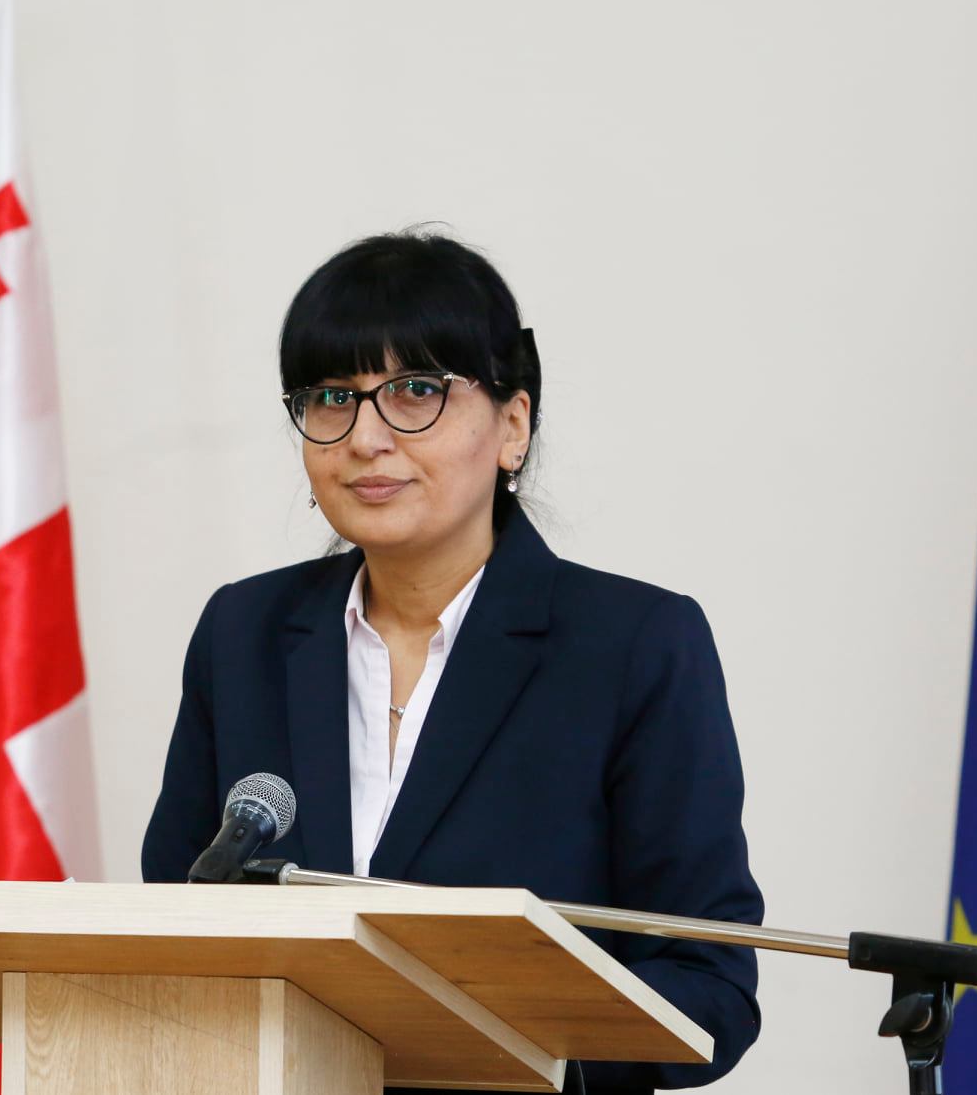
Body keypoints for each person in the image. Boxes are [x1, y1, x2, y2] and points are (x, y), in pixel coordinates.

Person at [141, 230, 764, 1094]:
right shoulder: (242, 632)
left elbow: (709, 987)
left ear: (513, 425)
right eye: (331, 397)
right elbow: (172, 921)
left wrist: (497, 1038)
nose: (366, 436)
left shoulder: (634, 644)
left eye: (417, 391)